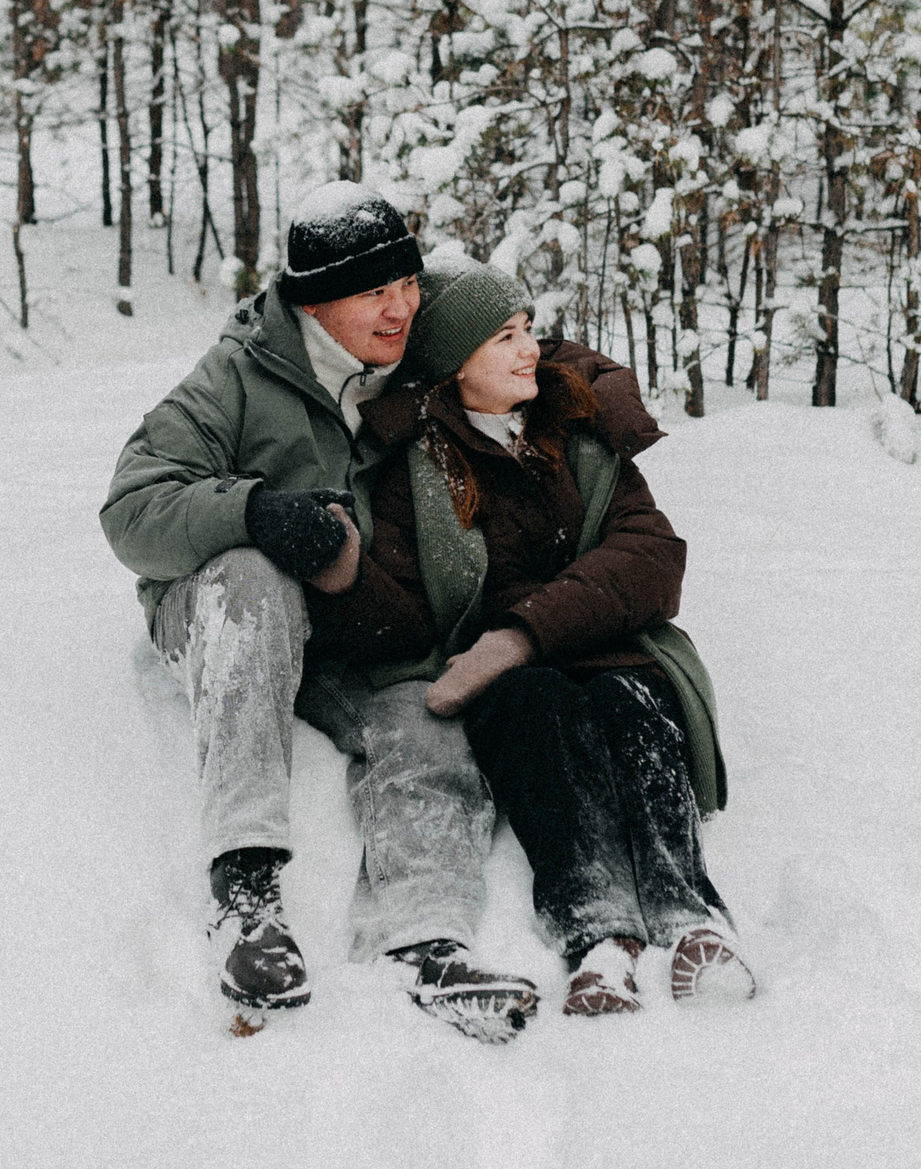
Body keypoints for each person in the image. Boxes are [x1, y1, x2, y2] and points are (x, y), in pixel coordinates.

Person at [100, 183, 541, 1041]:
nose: (401, 306)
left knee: (425, 709)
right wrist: (254, 511)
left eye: (408, 283)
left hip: (354, 628)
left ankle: (426, 940)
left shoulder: (409, 362)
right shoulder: (239, 374)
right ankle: (246, 893)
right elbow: (130, 509)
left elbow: (519, 361)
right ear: (314, 299)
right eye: (374, 290)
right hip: (227, 614)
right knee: (251, 575)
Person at [323, 254, 754, 1016]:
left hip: (614, 648)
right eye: (504, 338)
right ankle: (597, 937)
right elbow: (405, 618)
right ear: (456, 366)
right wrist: (343, 569)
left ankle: (690, 914)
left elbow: (650, 555)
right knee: (539, 710)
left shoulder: (580, 433)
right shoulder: (413, 471)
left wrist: (522, 630)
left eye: (528, 330)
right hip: (516, 681)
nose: (532, 350)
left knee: (630, 703)